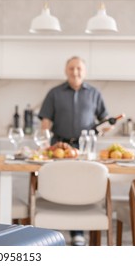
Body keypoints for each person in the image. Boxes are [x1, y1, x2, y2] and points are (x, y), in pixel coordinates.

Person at [38, 56, 109, 246]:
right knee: (58, 186)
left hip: (84, 149)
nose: (75, 72)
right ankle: (53, 230)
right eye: (71, 68)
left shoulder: (94, 93)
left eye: (78, 68)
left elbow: (105, 120)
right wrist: (44, 143)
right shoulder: (54, 93)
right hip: (58, 147)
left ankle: (78, 232)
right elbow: (45, 122)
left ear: (84, 71)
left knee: (80, 187)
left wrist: (105, 128)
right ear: (65, 71)